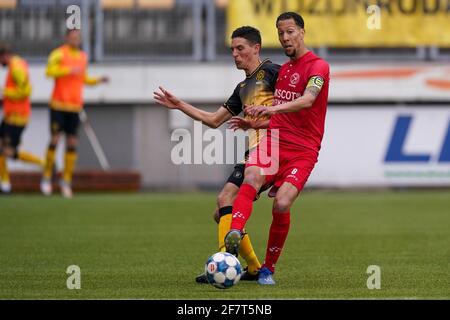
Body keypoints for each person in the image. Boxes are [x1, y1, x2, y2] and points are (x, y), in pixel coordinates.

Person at [153, 26, 280, 283]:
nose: (235, 54)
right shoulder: (243, 86)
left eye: (240, 48)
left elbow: (293, 109)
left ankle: (222, 264)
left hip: (273, 150)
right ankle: (254, 268)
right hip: (254, 152)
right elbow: (213, 120)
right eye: (232, 49)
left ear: (256, 48)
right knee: (221, 212)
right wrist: (179, 105)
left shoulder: (275, 73)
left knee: (225, 198)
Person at [224, 12, 330, 285]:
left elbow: (307, 100)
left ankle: (268, 268)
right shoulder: (284, 71)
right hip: (273, 140)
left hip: (304, 150)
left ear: (302, 32)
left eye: (290, 32)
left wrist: (271, 107)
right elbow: (281, 117)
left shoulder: (318, 67)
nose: (285, 38)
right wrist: (253, 124)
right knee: (251, 176)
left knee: (282, 203)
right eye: (281, 33)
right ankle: (234, 235)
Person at [40, 29, 109, 198]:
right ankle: (47, 177)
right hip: (58, 105)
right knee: (55, 139)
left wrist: (98, 80)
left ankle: (66, 181)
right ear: (67, 38)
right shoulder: (58, 54)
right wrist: (66, 70)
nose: (75, 40)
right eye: (73, 37)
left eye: (78, 38)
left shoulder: (83, 57)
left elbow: (83, 79)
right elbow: (48, 72)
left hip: (74, 107)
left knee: (72, 143)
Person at [0, 43, 44, 194]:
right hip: (11, 115)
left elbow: (25, 91)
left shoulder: (16, 67)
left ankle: (43, 164)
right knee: (2, 150)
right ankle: (4, 184)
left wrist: (5, 92)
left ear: (4, 56)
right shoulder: (15, 64)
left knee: (8, 152)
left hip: (17, 117)